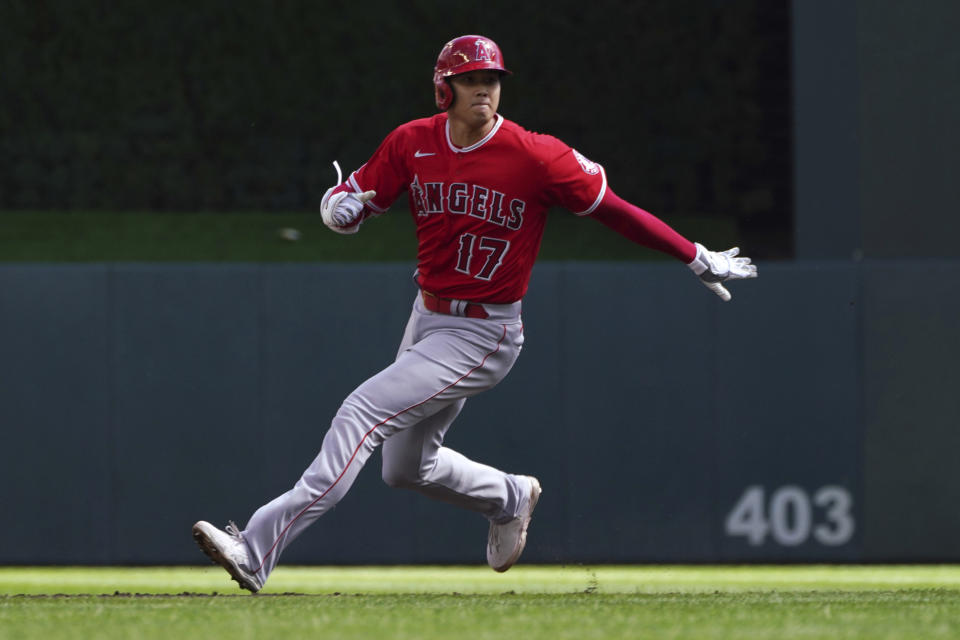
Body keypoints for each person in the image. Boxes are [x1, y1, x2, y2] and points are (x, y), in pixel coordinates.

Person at [192, 34, 757, 593]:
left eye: (491, 79)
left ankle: (258, 547)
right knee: (403, 468)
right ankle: (509, 497)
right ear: (446, 88)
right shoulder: (412, 142)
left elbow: (614, 210)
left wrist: (694, 254)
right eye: (471, 79)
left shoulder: (536, 155)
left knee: (360, 413)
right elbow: (359, 198)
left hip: (484, 331)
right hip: (428, 315)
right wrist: (338, 206)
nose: (484, 89)